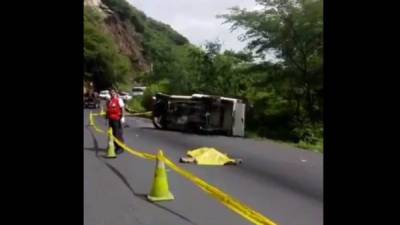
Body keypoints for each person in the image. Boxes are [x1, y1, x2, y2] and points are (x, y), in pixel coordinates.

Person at [106, 88, 126, 154]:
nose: (112, 93)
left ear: (115, 92)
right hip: (111, 119)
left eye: (113, 92)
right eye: (110, 92)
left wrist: (123, 117)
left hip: (117, 119)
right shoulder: (110, 100)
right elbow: (108, 109)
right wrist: (106, 116)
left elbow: (122, 108)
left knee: (117, 134)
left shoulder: (118, 99)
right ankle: (114, 146)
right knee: (112, 134)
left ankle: (120, 148)